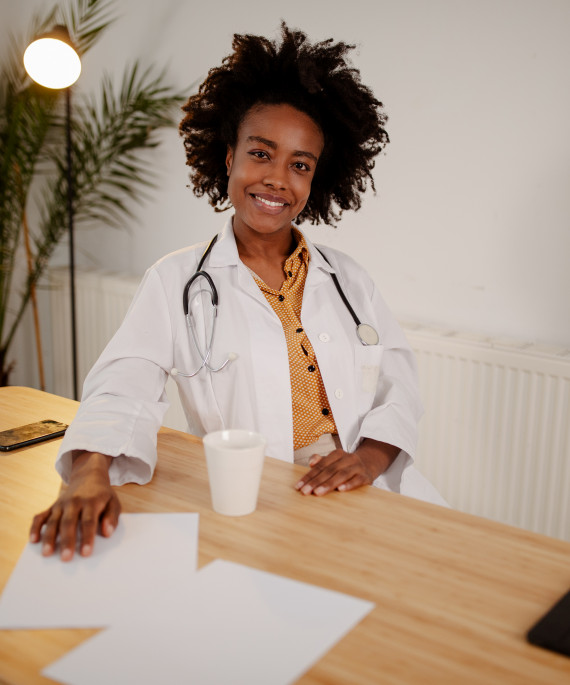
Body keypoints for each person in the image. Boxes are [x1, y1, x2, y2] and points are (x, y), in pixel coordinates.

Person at [30, 23, 447, 561]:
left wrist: (367, 458)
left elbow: (399, 384)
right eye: (261, 153)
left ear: (314, 181)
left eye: (300, 165)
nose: (278, 179)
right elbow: (121, 385)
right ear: (229, 159)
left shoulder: (348, 279)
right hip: (252, 492)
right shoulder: (177, 281)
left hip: (360, 487)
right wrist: (88, 475)